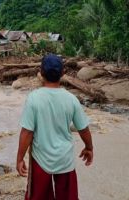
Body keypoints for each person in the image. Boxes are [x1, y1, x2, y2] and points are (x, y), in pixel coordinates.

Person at [16, 54, 93, 200]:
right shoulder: (71, 99)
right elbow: (84, 129)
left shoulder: (34, 98)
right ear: (63, 73)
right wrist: (89, 148)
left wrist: (19, 158)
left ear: (41, 73)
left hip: (41, 160)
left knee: (38, 197)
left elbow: (27, 132)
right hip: (65, 160)